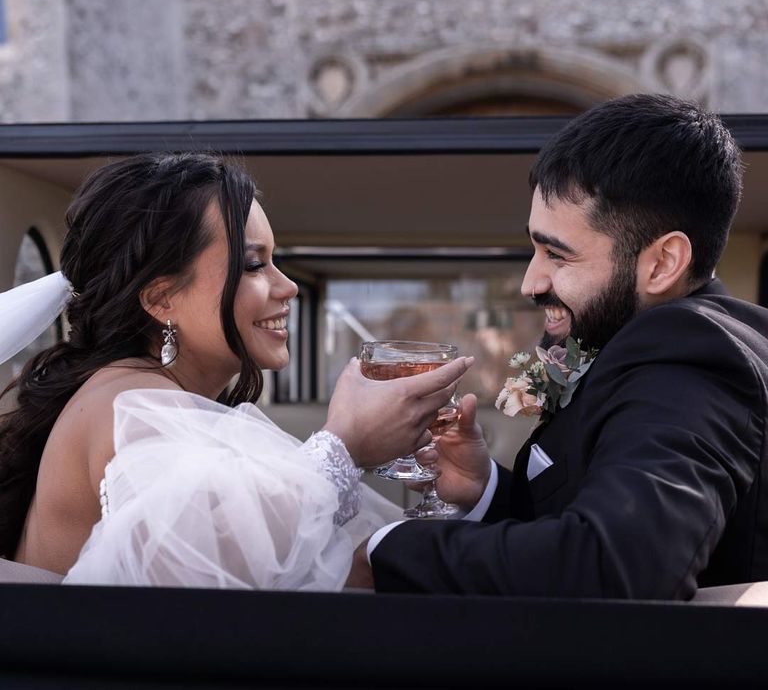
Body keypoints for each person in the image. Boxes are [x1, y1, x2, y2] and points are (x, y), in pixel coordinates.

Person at [354, 93, 768, 599]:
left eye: (558, 255)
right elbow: (586, 520)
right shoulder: (649, 343)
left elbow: (616, 565)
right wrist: (486, 489)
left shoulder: (691, 354)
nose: (531, 282)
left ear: (662, 263)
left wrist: (391, 547)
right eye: (535, 248)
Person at [0, 153, 472, 590]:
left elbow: (337, 565)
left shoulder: (128, 392)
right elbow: (194, 566)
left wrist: (460, 498)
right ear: (161, 299)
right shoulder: (133, 404)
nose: (287, 287)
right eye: (253, 265)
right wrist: (344, 448)